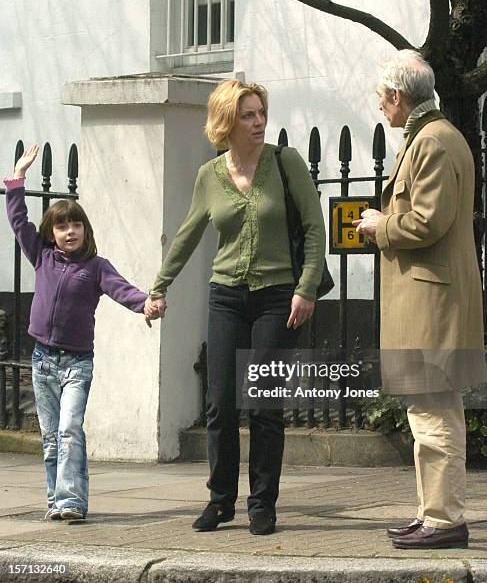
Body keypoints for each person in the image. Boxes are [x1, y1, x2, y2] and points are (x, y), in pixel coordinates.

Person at [145, 79, 326, 535]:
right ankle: (221, 500)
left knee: (264, 404)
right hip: (226, 295)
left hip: (277, 298)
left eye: (261, 112)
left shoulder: (286, 164)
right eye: (248, 114)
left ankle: (262, 504)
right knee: (219, 403)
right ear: (226, 122)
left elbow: (313, 228)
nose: (259, 121)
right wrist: (158, 287)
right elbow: (187, 234)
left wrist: (305, 289)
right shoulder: (210, 175)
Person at [354, 49, 485, 549]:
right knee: (427, 413)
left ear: (399, 95)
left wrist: (378, 225)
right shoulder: (431, 137)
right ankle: (433, 511)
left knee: (433, 415)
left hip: (432, 306)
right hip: (429, 303)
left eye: (382, 97)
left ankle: (446, 520)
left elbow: (429, 221)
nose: (379, 105)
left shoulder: (433, 141)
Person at [4, 145, 148, 521]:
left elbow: (123, 289)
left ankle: (72, 502)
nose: (70, 231)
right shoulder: (43, 257)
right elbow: (19, 221)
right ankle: (56, 500)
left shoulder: (96, 266)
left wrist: (146, 303)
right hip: (42, 361)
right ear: (52, 233)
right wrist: (17, 179)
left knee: (70, 429)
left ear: (86, 230)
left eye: (76, 225)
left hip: (76, 364)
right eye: (63, 226)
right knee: (51, 439)